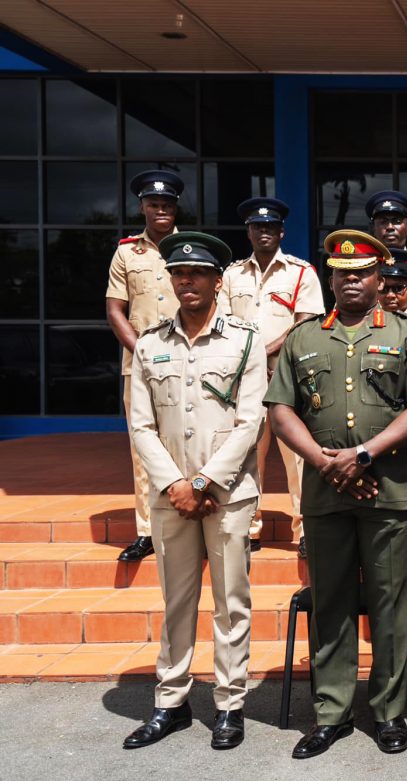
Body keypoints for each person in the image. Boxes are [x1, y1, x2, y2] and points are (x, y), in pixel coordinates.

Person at [266, 230, 407, 759]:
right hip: (325, 493)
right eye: (342, 272)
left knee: (391, 605)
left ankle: (390, 713)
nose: (351, 280)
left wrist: (362, 455)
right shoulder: (303, 339)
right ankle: (331, 713)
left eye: (362, 272)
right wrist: (325, 462)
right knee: (331, 603)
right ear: (330, 276)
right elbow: (280, 411)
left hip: (389, 491)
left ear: (379, 276)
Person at [123, 232, 265, 751]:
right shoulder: (149, 343)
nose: (188, 281)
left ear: (216, 281)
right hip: (170, 496)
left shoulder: (244, 340)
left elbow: (252, 420)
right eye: (179, 274)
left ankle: (229, 705)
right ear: (171, 280)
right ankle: (171, 702)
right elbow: (140, 426)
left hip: (227, 494)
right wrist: (176, 484)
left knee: (232, 603)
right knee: (176, 601)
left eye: (198, 273)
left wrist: (204, 481)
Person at [219, 197, 324, 555]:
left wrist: (264, 350)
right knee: (248, 452)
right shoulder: (232, 274)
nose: (264, 232)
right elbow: (223, 323)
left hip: (288, 376)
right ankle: (249, 527)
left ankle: (306, 527)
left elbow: (308, 322)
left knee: (298, 454)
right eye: (257, 227)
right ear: (248, 232)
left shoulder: (300, 272)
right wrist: (247, 356)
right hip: (244, 380)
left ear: (281, 231)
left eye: (270, 227)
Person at [105, 169, 184, 563]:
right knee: (143, 446)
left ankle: (188, 522)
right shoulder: (125, 253)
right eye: (154, 204)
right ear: (142, 207)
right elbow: (115, 310)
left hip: (188, 361)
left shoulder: (190, 247)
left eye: (167, 205)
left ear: (175, 208)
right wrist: (142, 351)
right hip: (139, 365)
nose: (160, 210)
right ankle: (147, 530)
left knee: (188, 439)